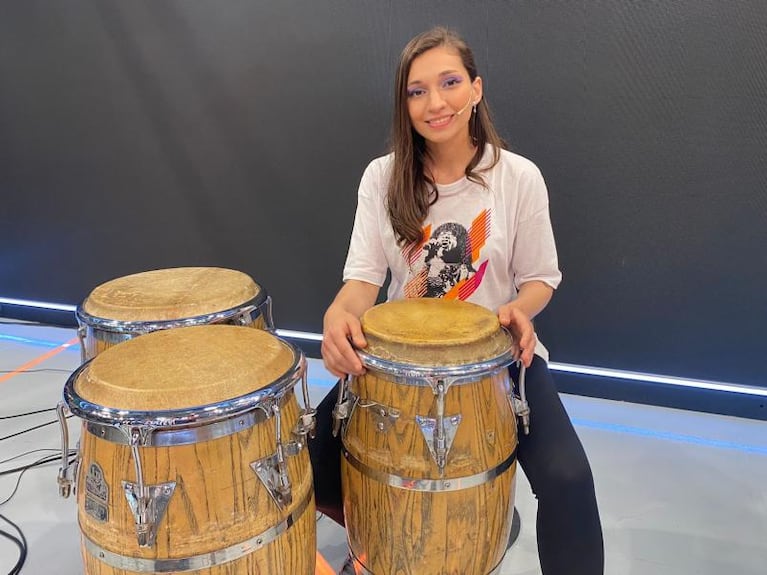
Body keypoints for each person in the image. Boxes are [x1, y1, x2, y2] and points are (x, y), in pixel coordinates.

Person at [309, 26, 604, 575]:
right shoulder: (382, 177)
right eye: (416, 91)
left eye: (448, 83)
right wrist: (335, 318)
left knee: (569, 480)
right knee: (306, 464)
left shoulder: (517, 178)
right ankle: (386, 542)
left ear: (476, 90)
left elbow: (542, 277)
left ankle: (476, 518)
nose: (434, 102)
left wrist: (522, 308)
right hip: (395, 366)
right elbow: (362, 281)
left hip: (499, 364)